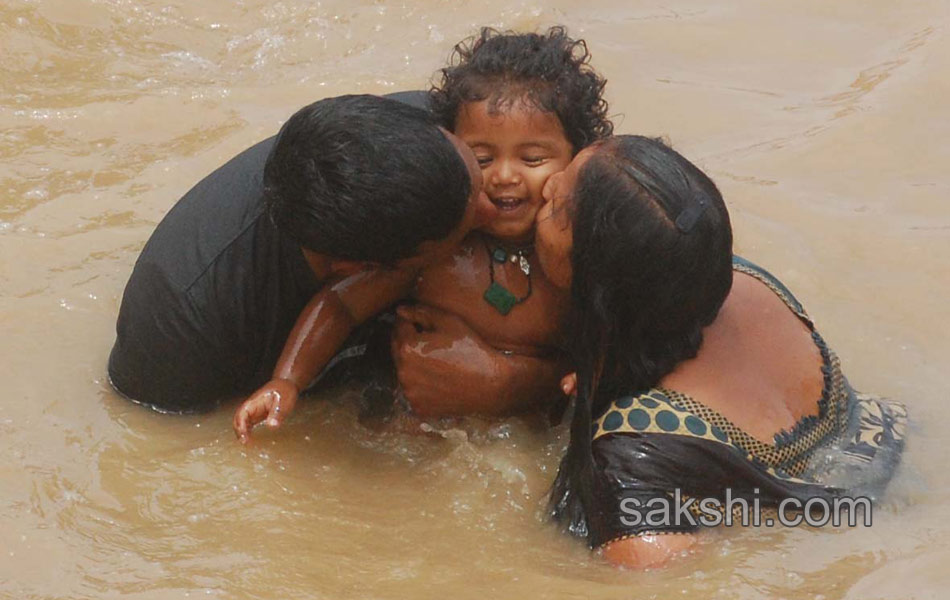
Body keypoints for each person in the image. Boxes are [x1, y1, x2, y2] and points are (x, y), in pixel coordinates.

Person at [534, 135, 908, 569]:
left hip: (823, 543)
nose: (545, 186)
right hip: (897, 471)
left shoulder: (626, 457)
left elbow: (666, 580)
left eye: (556, 205)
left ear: (595, 278)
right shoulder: (734, 280)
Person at [108, 93, 492, 431]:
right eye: (473, 221)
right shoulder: (180, 329)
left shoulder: (459, 119)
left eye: (480, 161)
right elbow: (163, 442)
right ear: (362, 268)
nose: (496, 204)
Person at [388, 27, 613, 417]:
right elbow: (345, 301)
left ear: (579, 160)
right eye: (482, 158)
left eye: (532, 159)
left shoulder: (585, 256)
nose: (505, 177)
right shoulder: (437, 244)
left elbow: (625, 352)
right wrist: (287, 381)